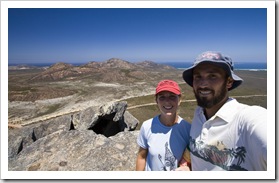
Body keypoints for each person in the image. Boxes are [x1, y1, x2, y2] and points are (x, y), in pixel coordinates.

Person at [177, 51, 267, 171]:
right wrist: (186, 166)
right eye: (198, 77)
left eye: (212, 76)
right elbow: (196, 145)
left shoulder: (248, 119)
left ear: (229, 82)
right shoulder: (199, 113)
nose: (203, 84)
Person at [136, 79, 191, 171]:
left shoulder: (188, 129)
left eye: (172, 97)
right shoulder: (147, 126)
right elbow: (141, 157)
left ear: (179, 100)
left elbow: (192, 160)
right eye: (162, 97)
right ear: (156, 101)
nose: (167, 102)